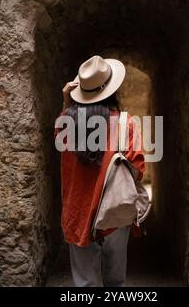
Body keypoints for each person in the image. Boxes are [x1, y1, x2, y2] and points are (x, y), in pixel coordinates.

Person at [54, 55, 145, 287]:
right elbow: (138, 168)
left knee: (85, 282)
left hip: (78, 213)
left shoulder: (66, 124)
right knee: (115, 280)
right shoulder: (127, 124)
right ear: (111, 90)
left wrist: (66, 103)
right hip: (115, 211)